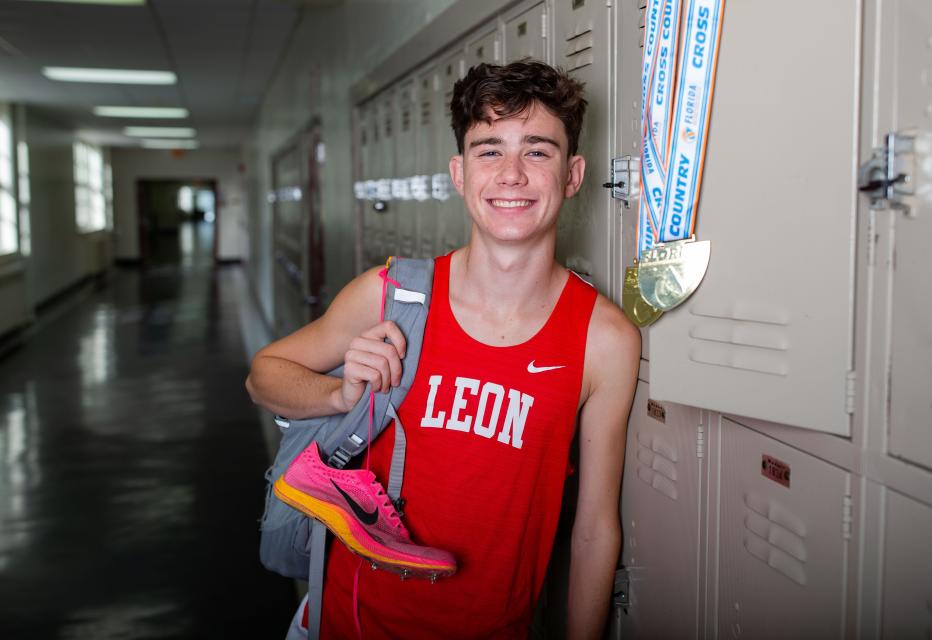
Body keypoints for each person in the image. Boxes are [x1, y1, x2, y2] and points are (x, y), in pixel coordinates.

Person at [246, 60, 641, 640]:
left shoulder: (604, 340)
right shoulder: (392, 294)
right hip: (347, 624)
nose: (511, 174)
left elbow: (594, 529)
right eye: (488, 151)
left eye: (537, 151)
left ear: (573, 173)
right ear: (458, 173)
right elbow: (264, 375)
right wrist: (339, 394)